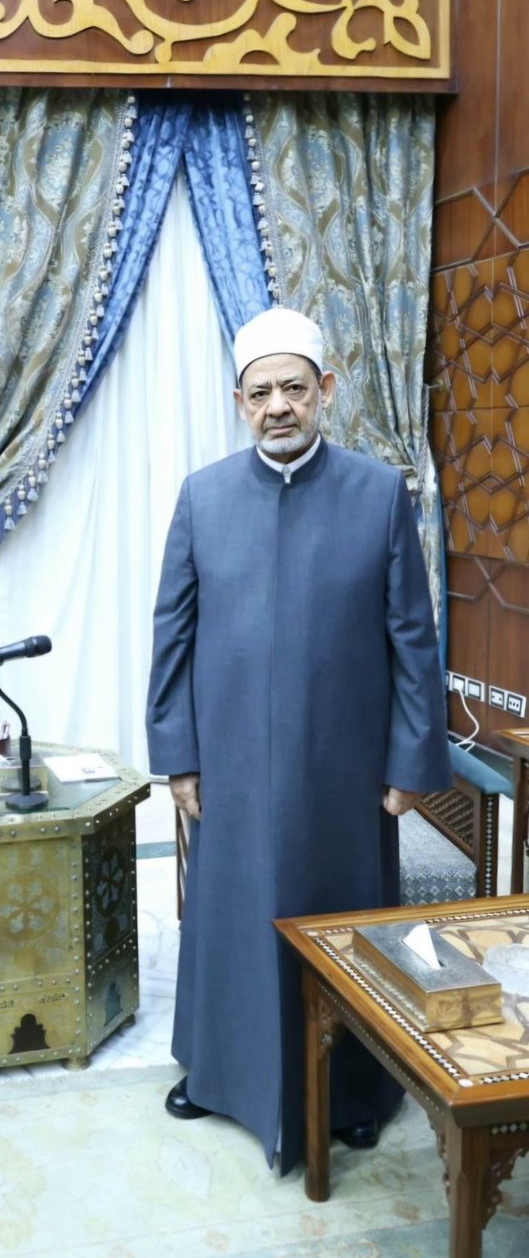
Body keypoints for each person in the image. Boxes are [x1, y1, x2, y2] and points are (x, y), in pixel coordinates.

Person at [145, 305, 450, 1173]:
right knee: (232, 919)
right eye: (259, 393)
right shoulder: (202, 496)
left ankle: (354, 1092)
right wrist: (177, 758)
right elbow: (171, 636)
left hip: (343, 772)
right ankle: (218, 1075)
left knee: (343, 928)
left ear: (325, 390)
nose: (277, 406)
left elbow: (413, 638)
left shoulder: (377, 493)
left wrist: (409, 763)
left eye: (293, 388)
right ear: (239, 403)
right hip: (231, 768)